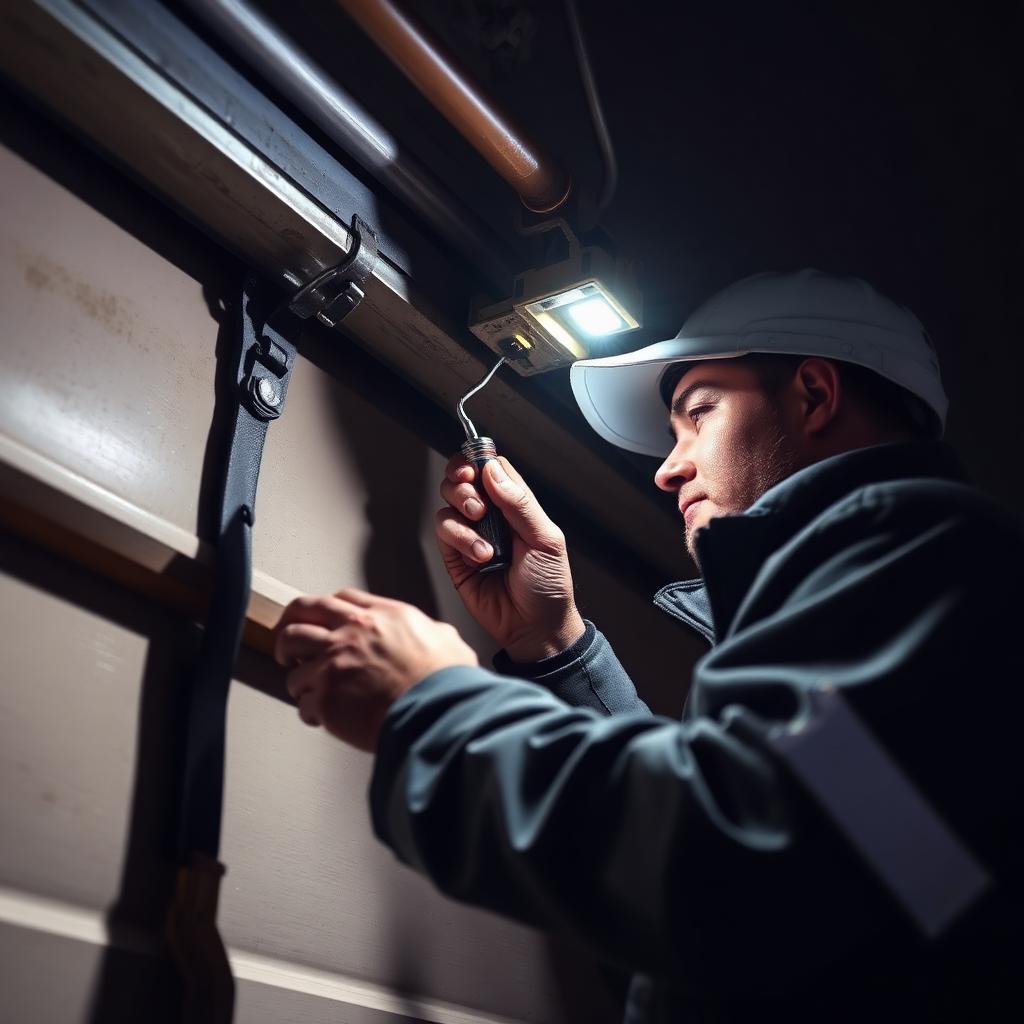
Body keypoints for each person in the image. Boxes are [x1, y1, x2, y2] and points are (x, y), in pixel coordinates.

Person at [273, 270, 1022, 1022]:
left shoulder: (928, 560)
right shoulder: (902, 592)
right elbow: (732, 908)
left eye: (699, 413)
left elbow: (739, 878)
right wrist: (552, 647)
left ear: (815, 396)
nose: (668, 467)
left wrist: (433, 710)